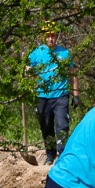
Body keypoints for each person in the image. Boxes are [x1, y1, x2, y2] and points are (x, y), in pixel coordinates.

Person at [26, 24, 78, 163]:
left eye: (53, 36)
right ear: (43, 37)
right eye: (48, 36)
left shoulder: (64, 53)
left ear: (56, 37)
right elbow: (28, 71)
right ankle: (50, 155)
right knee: (46, 126)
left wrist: (76, 94)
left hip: (61, 95)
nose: (50, 39)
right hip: (42, 96)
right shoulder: (36, 53)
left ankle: (62, 154)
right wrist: (28, 71)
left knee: (62, 125)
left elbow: (73, 74)